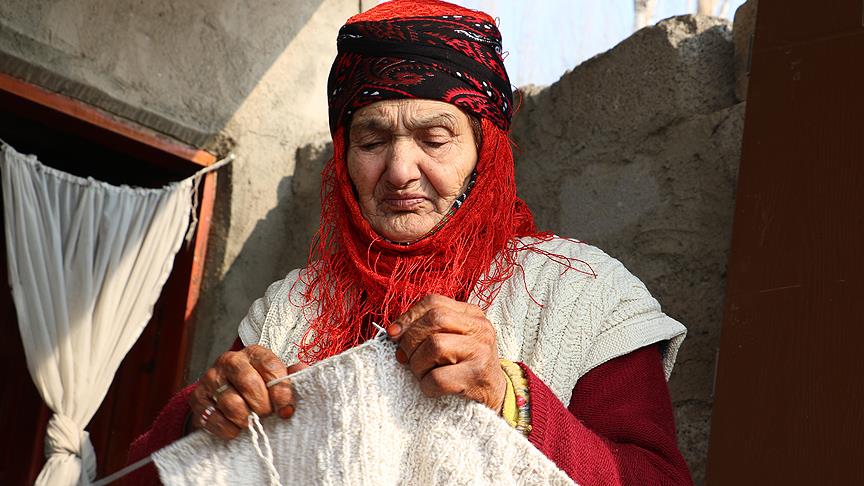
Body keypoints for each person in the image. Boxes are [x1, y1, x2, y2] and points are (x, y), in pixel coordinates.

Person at [128, 1, 693, 484]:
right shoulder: (289, 311)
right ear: (344, 159)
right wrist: (200, 418)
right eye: (372, 140)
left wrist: (509, 397)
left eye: (435, 138)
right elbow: (143, 474)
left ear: (485, 154)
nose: (400, 170)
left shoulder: (584, 296)